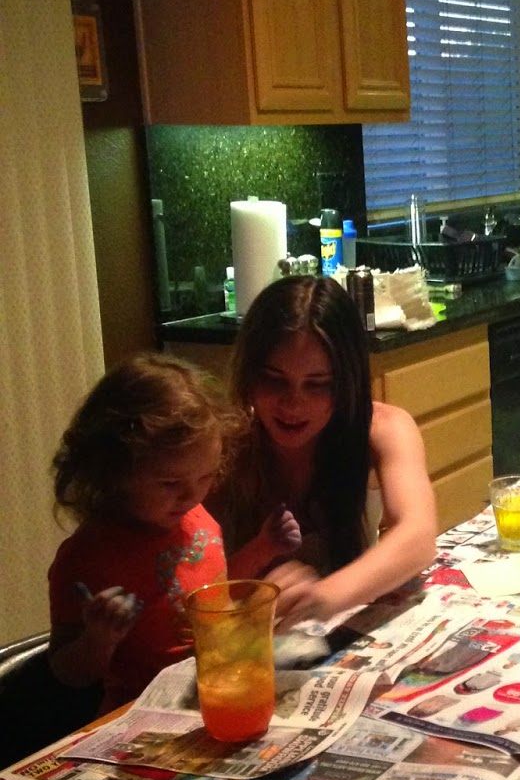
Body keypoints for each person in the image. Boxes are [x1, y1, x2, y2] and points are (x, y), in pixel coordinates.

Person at [214, 276, 438, 627]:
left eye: (317, 385)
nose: (293, 404)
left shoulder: (384, 427)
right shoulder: (219, 446)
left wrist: (323, 596)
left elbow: (419, 535)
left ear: (347, 383)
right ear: (249, 375)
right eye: (275, 379)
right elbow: (195, 588)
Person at [47, 354, 246, 713]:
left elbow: (219, 602)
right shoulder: (86, 557)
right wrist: (98, 639)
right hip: (145, 716)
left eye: (205, 476)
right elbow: (66, 673)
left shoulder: (198, 516)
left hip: (216, 694)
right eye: (170, 483)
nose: (191, 496)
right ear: (114, 471)